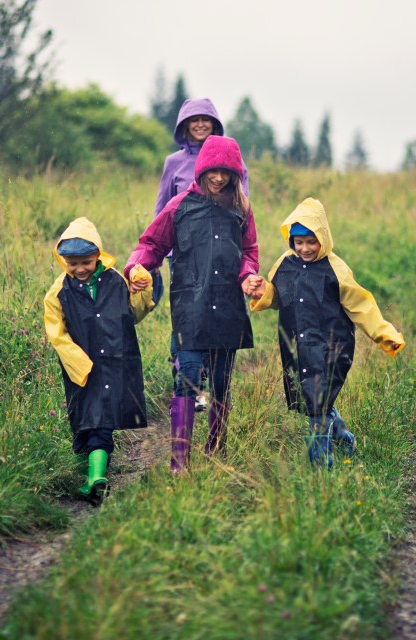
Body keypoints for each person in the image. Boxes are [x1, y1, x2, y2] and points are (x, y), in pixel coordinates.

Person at [126, 135, 261, 473]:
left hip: (229, 307)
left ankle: (216, 451)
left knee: (221, 383)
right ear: (202, 169)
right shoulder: (179, 206)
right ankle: (179, 461)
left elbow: (249, 253)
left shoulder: (241, 209)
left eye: (226, 173)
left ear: (235, 174)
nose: (219, 178)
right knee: (186, 377)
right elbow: (150, 245)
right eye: (213, 171)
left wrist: (248, 276)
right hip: (190, 307)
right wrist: (137, 267)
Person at [249, 197, 405, 468]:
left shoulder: (336, 269)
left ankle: (322, 470)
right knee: (312, 399)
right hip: (297, 346)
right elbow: (278, 296)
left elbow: (361, 305)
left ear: (323, 238)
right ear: (291, 241)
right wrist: (264, 291)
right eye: (299, 242)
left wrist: (383, 334)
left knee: (317, 405)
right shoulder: (285, 263)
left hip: (332, 346)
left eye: (312, 242)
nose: (305, 248)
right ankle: (343, 437)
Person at [44, 217, 154, 505]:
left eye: (86, 262)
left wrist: (142, 289)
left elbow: (134, 314)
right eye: (72, 263)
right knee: (85, 421)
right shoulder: (58, 292)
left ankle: (95, 479)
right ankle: (90, 470)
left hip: (116, 361)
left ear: (98, 257)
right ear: (63, 260)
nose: (79, 269)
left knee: (101, 421)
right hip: (82, 367)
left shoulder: (117, 281)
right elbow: (56, 332)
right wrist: (77, 361)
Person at [152, 98, 250, 413]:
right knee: (187, 318)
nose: (199, 125)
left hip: (220, 257)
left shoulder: (233, 162)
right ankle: (186, 381)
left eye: (205, 120)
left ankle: (203, 384)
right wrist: (160, 253)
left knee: (216, 319)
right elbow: (163, 209)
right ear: (183, 125)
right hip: (184, 254)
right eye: (193, 121)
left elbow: (239, 204)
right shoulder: (173, 162)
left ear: (214, 124)